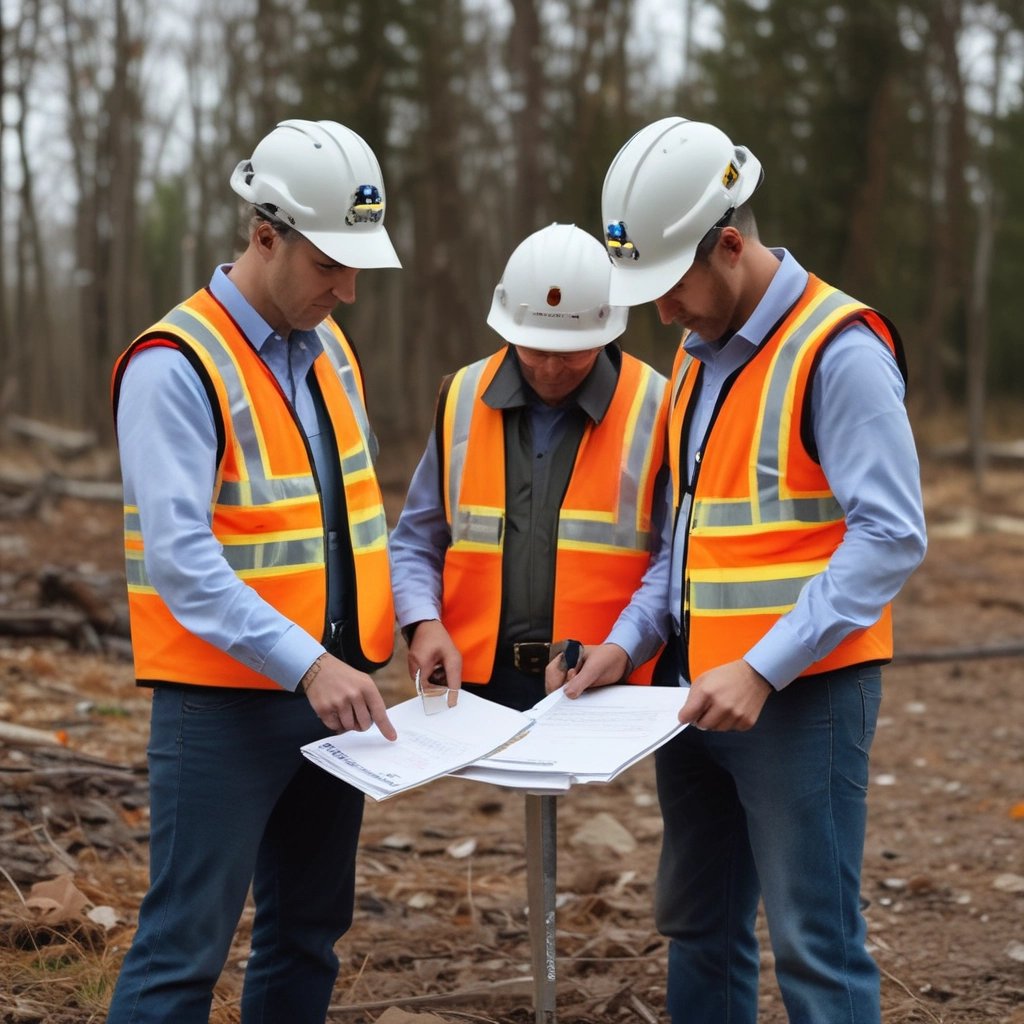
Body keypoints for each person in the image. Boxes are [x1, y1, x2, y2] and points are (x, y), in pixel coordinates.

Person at [553, 117, 928, 1023]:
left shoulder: (839, 352)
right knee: (700, 925)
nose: (661, 314)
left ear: (728, 245)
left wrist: (762, 667)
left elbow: (891, 535)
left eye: (670, 287)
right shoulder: (696, 359)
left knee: (814, 943)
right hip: (692, 698)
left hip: (802, 700)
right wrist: (627, 643)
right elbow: (685, 536)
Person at [107, 119, 401, 1024]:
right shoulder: (175, 366)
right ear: (265, 235)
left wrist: (404, 624)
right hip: (223, 707)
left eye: (357, 267)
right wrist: (309, 665)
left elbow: (349, 521)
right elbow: (182, 562)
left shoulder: (331, 350)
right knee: (182, 951)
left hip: (333, 694)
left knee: (307, 933)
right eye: (329, 266)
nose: (347, 290)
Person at [388, 223, 671, 713]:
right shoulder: (461, 397)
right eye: (537, 351)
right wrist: (421, 621)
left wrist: (624, 646)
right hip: (474, 687)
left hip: (607, 685)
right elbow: (415, 540)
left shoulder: (658, 406)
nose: (551, 370)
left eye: (571, 355)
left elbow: (674, 558)